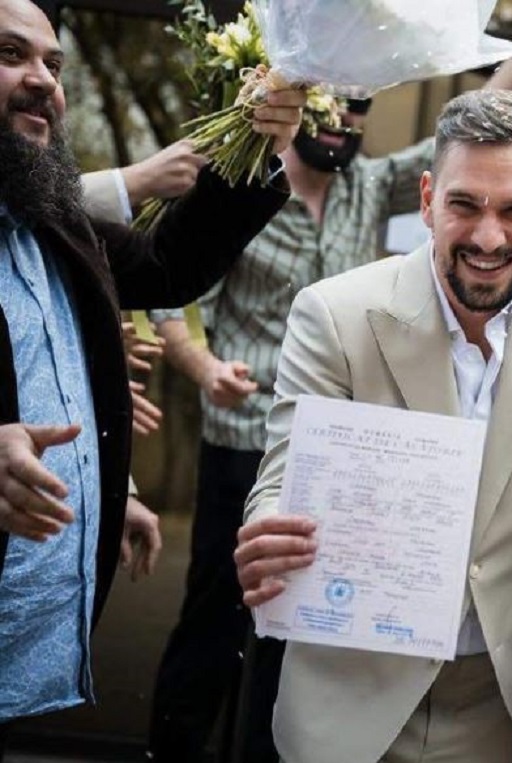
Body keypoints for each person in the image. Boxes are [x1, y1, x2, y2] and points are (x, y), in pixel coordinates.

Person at [144, 10, 512, 761]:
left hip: (348, 454)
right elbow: (172, 299)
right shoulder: (244, 189)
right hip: (245, 439)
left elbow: (463, 139)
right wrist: (205, 369)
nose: (347, 122)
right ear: (303, 109)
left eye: (360, 110)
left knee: (305, 633)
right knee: (217, 620)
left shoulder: (370, 185)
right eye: (337, 106)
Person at [234, 89, 512, 763]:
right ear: (427, 200)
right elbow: (285, 477)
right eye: (464, 205)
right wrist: (268, 534)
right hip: (351, 687)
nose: (488, 237)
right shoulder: (334, 313)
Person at [0, 0, 305, 752]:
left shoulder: (51, 220)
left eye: (54, 64)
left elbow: (170, 268)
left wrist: (257, 145)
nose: (43, 80)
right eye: (11, 55)